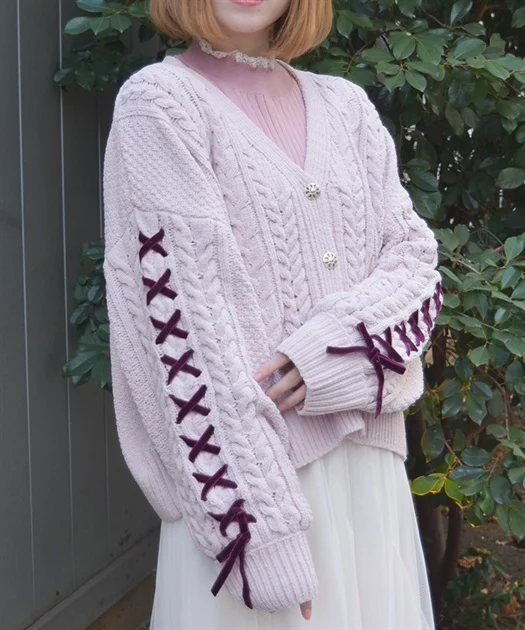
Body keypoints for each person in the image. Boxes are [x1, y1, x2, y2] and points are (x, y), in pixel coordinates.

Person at [102, 0, 441, 628]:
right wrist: (260, 532)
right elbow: (182, 332)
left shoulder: (347, 108)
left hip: (368, 479)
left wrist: (332, 356)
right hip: (250, 491)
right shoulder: (161, 104)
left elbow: (417, 266)